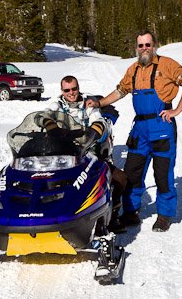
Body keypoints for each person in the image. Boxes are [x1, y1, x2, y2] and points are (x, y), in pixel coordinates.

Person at [86, 31, 182, 233]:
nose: (144, 48)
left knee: (162, 174)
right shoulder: (133, 69)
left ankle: (164, 215)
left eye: (147, 45)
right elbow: (120, 91)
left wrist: (176, 110)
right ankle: (130, 212)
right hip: (140, 129)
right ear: (136, 48)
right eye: (141, 45)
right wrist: (100, 103)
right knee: (132, 173)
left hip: (162, 127)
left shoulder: (167, 65)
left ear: (154, 45)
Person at [43, 75, 127, 217]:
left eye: (74, 89)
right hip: (63, 153)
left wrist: (95, 129)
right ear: (62, 91)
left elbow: (97, 117)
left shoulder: (87, 104)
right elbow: (46, 114)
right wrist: (49, 124)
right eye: (67, 90)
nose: (71, 93)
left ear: (78, 88)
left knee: (120, 179)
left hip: (88, 152)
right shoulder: (57, 105)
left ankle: (112, 213)